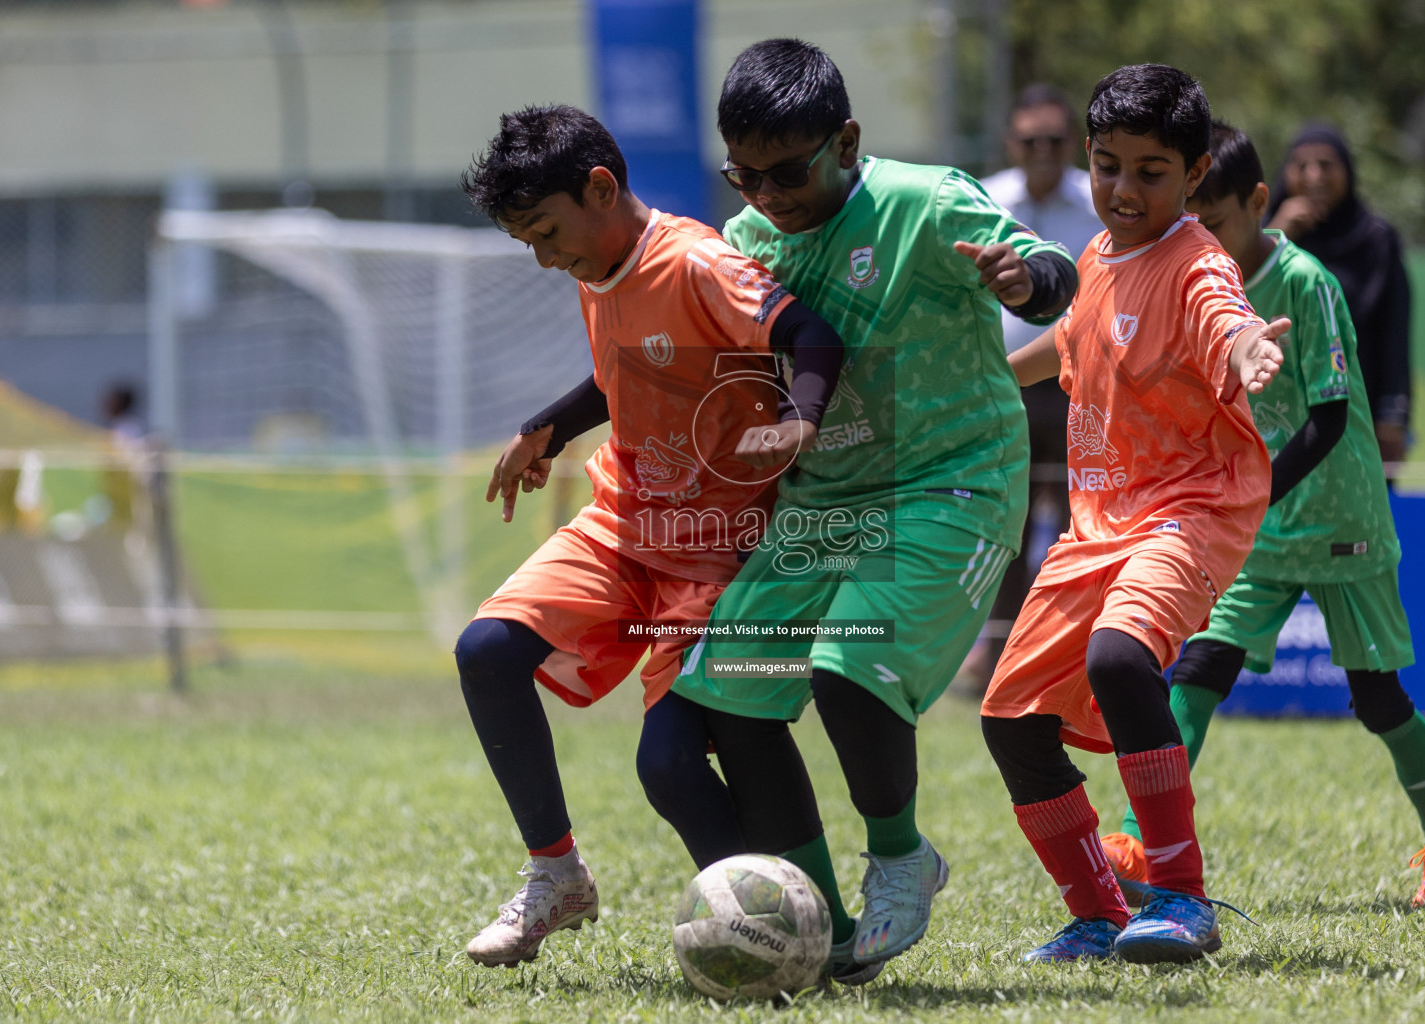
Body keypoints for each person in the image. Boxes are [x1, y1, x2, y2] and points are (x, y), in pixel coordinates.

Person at [646, 37, 1078, 977]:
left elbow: (1052, 270)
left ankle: (901, 858)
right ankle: (826, 936)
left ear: (846, 140)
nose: (768, 194)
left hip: (951, 484)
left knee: (848, 669)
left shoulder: (926, 202)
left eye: (789, 170)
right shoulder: (747, 241)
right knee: (734, 704)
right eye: (744, 174)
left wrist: (1025, 281)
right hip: (823, 513)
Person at [452, 103, 847, 969]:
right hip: (626, 523)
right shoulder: (598, 270)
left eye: (548, 233)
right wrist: (545, 428)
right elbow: (627, 374)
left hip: (718, 550)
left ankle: (785, 940)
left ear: (601, 189)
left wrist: (801, 422)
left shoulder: (698, 262)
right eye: (528, 242)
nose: (545, 256)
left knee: (667, 767)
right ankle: (556, 875)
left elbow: (811, 332)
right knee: (486, 649)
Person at [1101, 122, 1425, 912]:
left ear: (1259, 203)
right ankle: (1136, 837)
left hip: (1342, 519)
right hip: (1258, 527)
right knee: (1199, 672)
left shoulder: (1308, 283)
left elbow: (1332, 416)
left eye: (1218, 222)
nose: (1203, 241)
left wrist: (1252, 492)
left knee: (1378, 700)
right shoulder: (1191, 285)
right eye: (1188, 225)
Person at [978, 64, 1290, 965]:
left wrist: (1243, 348)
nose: (1125, 189)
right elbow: (1068, 344)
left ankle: (1184, 900)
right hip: (1098, 526)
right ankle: (1099, 911)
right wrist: (980, 384)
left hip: (1189, 510)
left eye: (1152, 172)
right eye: (1109, 166)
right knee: (1009, 722)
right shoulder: (1094, 258)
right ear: (1088, 158)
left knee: (1119, 658)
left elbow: (1222, 315)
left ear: (1194, 176)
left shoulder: (1197, 260)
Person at [962, 84, 1107, 693]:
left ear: (1070, 143)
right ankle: (998, 654)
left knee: (1087, 522)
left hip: (1085, 385)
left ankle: (1083, 655)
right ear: (1010, 142)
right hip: (1007, 384)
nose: (1042, 150)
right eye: (1030, 140)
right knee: (1007, 524)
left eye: (1053, 139)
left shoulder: (1100, 201)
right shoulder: (985, 200)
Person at [1266, 123, 1412, 473]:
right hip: (1277, 415)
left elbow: (1393, 332)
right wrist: (1278, 235)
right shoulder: (1263, 238)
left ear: (1347, 171)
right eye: (1301, 166)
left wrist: (1392, 415)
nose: (1314, 175)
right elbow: (1240, 301)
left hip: (1356, 411)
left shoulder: (1376, 240)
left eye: (1326, 165)